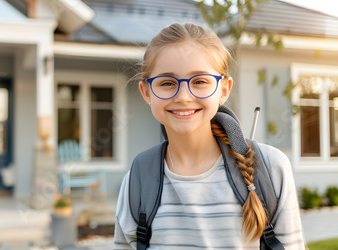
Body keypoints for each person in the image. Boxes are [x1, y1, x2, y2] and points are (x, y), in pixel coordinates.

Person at [114, 23, 305, 249]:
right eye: (167, 83)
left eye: (200, 81)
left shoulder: (271, 168)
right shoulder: (137, 179)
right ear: (147, 92)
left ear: (223, 89)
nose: (184, 96)